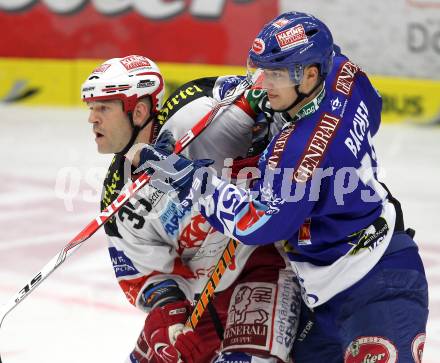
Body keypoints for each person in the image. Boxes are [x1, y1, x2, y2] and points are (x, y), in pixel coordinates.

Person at [139, 12, 429, 363]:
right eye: (261, 71)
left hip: (377, 286)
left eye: (275, 75)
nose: (262, 85)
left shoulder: (295, 151)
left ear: (309, 75)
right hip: (325, 296)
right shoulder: (343, 74)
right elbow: (371, 108)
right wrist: (274, 110)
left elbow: (260, 223)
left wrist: (188, 180)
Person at [80, 55, 300, 363]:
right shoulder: (118, 195)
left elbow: (274, 92)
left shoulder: (199, 111)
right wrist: (168, 309)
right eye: (91, 108)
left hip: (262, 264)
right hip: (199, 299)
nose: (92, 119)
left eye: (103, 108)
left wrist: (266, 124)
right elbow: (141, 274)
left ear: (139, 111)